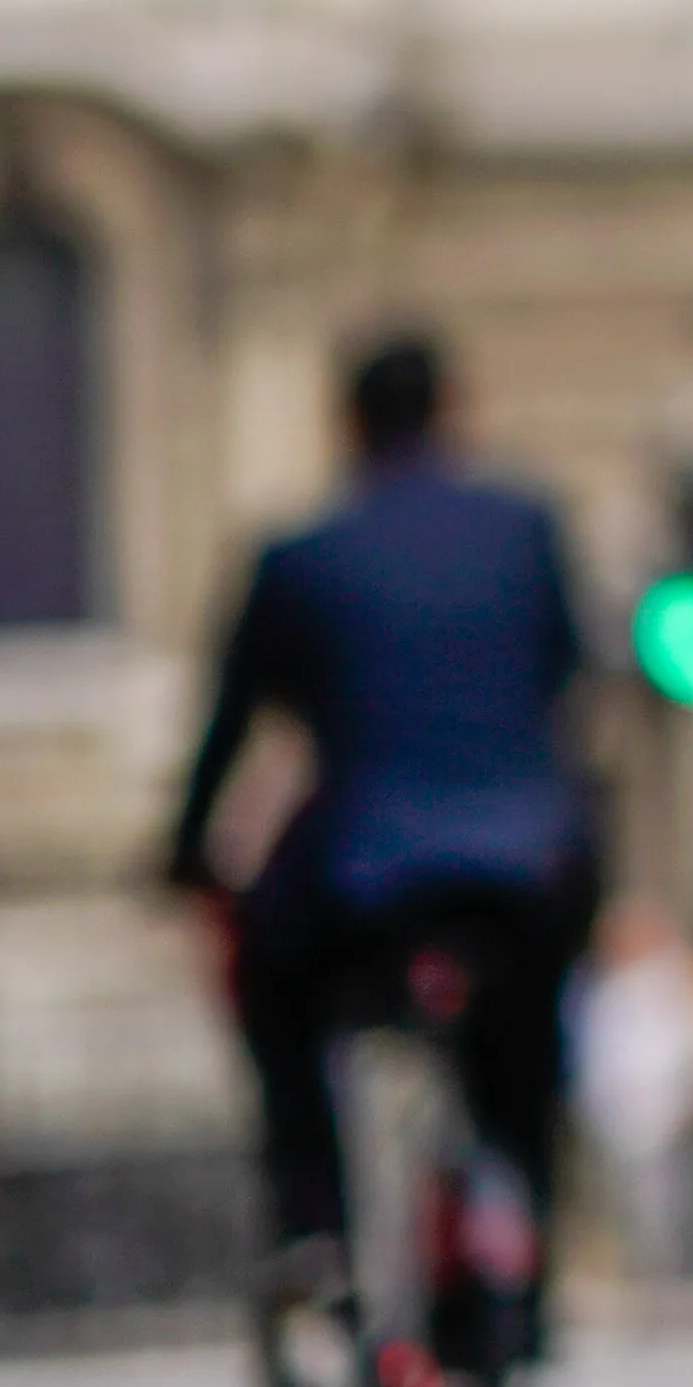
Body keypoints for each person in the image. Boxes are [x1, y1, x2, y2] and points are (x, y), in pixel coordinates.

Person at [169, 332, 599, 1323]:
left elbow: (229, 725)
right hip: (524, 868)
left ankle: (315, 1216)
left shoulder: (300, 555)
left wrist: (188, 853)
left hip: (365, 877)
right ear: (454, 410)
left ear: (348, 425)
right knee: (527, 1038)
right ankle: (522, 1227)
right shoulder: (527, 528)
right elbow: (570, 678)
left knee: (274, 990)